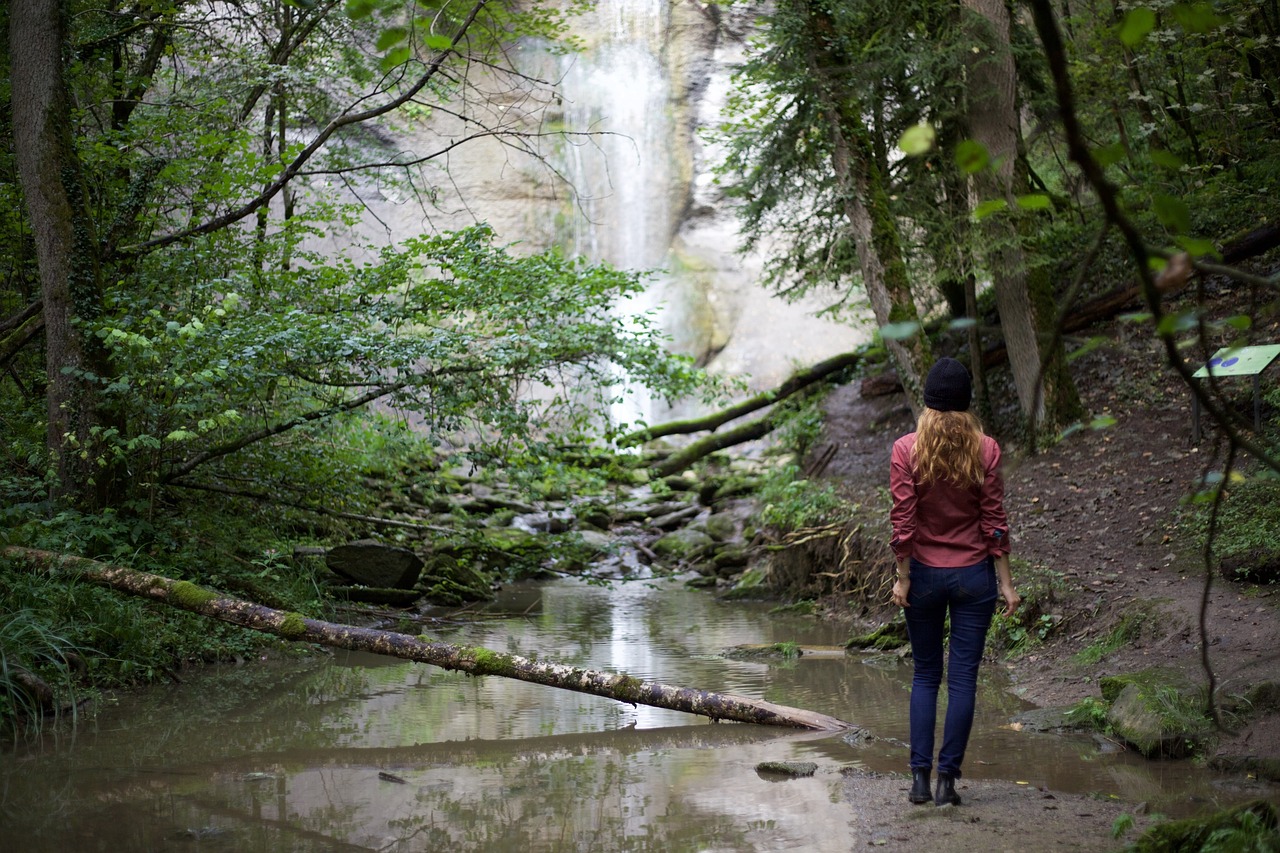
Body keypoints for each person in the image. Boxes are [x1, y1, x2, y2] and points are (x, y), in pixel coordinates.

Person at [889, 357, 1021, 807]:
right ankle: (948, 783)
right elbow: (994, 522)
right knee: (963, 679)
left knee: (926, 675)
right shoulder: (986, 449)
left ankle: (919, 782)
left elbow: (903, 523)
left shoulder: (906, 449)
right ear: (967, 403)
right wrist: (1006, 583)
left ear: (927, 401)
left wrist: (903, 578)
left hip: (923, 575)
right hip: (973, 577)